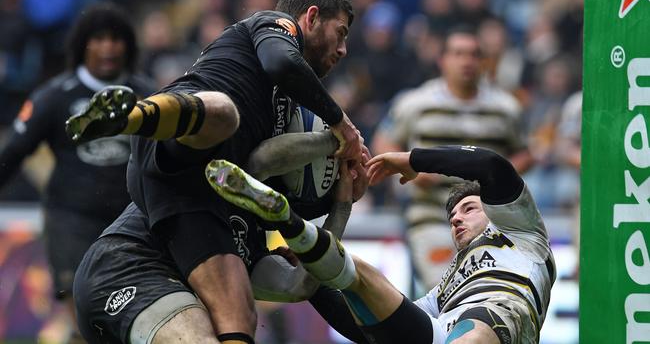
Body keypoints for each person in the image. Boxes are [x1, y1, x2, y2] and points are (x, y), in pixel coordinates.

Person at [72, 0, 366, 343]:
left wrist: (343, 201)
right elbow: (281, 66)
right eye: (340, 33)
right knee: (224, 114)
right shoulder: (272, 26)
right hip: (126, 262)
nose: (343, 49)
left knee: (240, 314)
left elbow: (301, 283)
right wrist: (339, 131)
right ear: (310, 17)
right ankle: (128, 115)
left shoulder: (246, 222)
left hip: (186, 195)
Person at [209, 144, 555, 343]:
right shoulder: (445, 286)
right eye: (452, 217)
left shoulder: (523, 232)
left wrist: (409, 160)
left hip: (496, 317)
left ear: (496, 211)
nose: (456, 219)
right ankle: (286, 220)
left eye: (468, 209)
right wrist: (312, 274)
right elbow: (363, 328)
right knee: (358, 276)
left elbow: (491, 164)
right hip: (440, 328)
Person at [0, 2, 154, 342]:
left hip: (132, 219)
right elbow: (13, 152)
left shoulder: (150, 96)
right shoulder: (55, 97)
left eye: (116, 39)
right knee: (85, 313)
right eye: (98, 39)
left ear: (128, 45)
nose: (108, 48)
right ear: (82, 45)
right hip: (71, 219)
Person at [372, 25, 533, 289]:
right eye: (458, 54)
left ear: (484, 61)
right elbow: (384, 140)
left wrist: (499, 174)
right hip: (432, 215)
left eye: (473, 55)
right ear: (442, 60)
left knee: (484, 291)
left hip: (490, 218)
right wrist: (410, 169)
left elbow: (526, 152)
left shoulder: (506, 107)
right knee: (445, 289)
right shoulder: (416, 103)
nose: (466, 61)